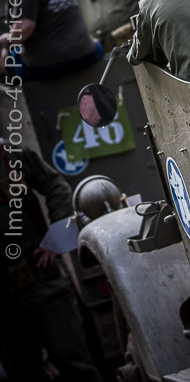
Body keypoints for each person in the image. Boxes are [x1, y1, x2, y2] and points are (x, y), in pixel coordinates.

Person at [0, 141, 103, 381]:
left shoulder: (13, 155)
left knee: (74, 362)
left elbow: (56, 187)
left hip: (39, 277)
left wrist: (57, 239)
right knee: (21, 370)